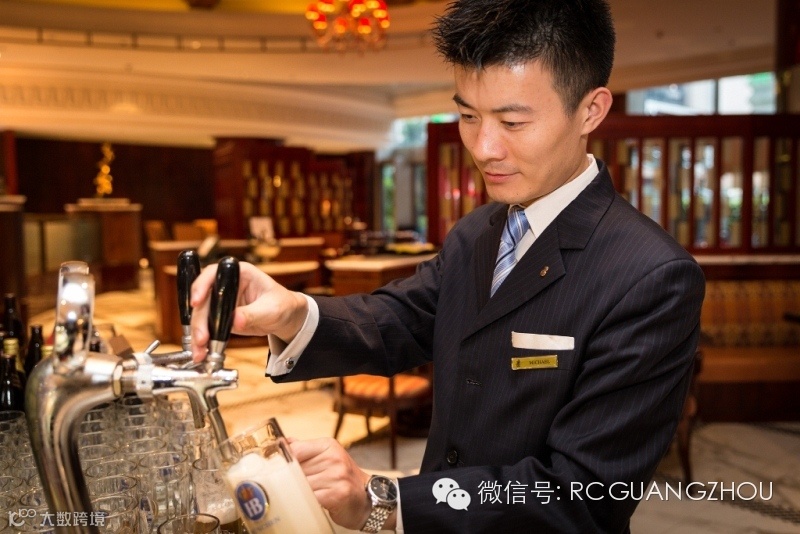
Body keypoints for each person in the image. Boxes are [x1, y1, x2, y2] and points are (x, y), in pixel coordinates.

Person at [190, 0, 705, 532]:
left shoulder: (651, 277)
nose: (483, 148)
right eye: (468, 116)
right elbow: (399, 319)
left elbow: (583, 495)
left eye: (512, 121)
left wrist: (385, 500)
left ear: (591, 111)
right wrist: (292, 312)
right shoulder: (476, 232)